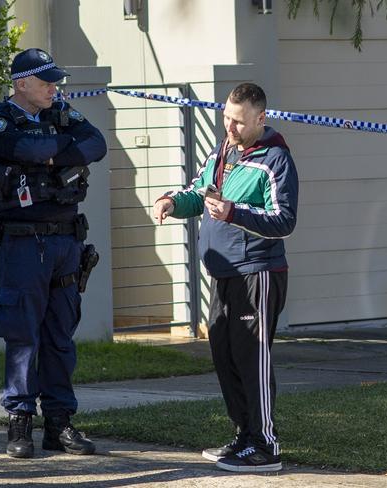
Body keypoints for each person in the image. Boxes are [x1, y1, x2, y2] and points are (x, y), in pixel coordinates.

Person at [153, 83, 298, 473]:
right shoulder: (222, 151)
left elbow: (284, 221)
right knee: (224, 353)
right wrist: (171, 201)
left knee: (252, 358)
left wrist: (235, 213)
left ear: (260, 118)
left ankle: (266, 444)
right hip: (223, 273)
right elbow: (200, 192)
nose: (229, 128)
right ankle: (244, 435)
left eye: (237, 121)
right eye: (225, 119)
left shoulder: (276, 159)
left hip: (258, 273)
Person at [0, 48, 107, 459]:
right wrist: (58, 150)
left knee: (60, 337)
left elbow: (97, 144)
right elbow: (24, 151)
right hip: (23, 241)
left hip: (67, 241)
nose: (55, 88)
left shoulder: (62, 113)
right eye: (47, 81)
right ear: (21, 84)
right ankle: (19, 423)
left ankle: (59, 423)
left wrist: (51, 150)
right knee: (22, 337)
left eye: (55, 81)